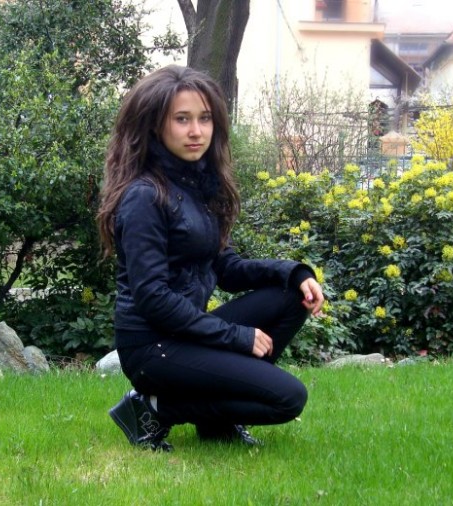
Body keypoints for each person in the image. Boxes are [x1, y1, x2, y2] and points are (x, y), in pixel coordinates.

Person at [96, 65, 324, 452]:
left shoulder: (198, 184)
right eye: (182, 119)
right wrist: (236, 337)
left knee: (291, 296)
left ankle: (216, 422)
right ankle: (154, 408)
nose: (196, 131)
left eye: (204, 118)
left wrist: (294, 273)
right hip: (153, 347)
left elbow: (227, 269)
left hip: (185, 333)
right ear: (155, 125)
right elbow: (153, 298)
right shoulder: (145, 196)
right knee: (288, 398)